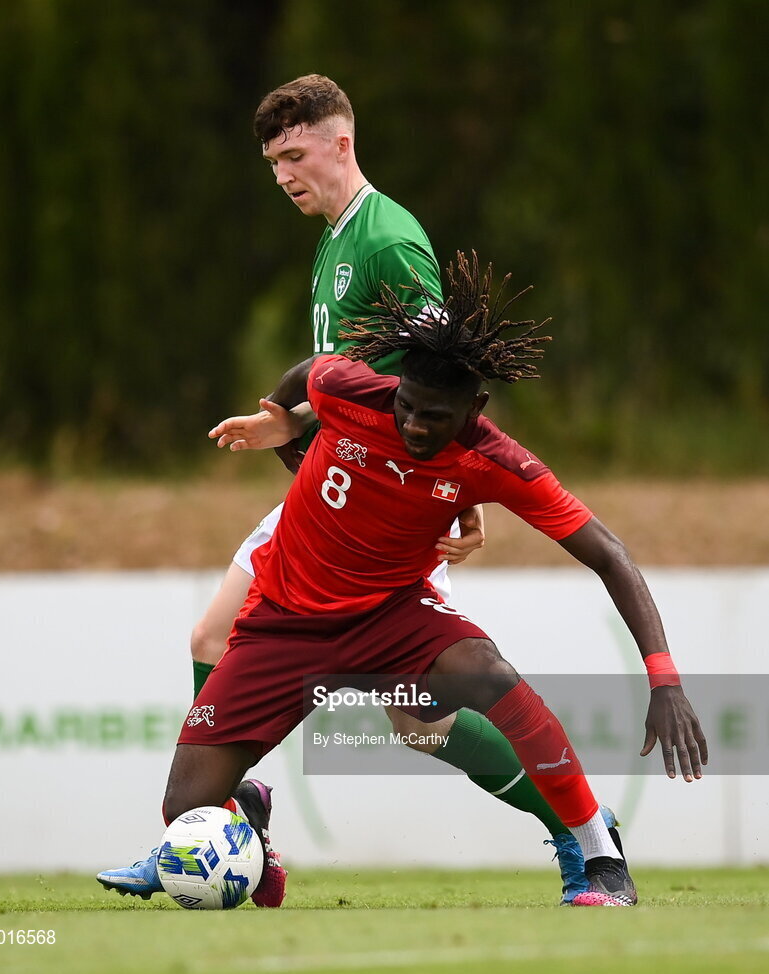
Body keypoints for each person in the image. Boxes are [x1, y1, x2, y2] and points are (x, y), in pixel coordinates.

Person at [97, 75, 609, 906]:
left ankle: (577, 830)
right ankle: (223, 820)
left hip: (384, 504)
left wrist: (455, 492)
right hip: (331, 493)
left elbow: (440, 375)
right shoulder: (337, 237)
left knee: (420, 722)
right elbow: (351, 378)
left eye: (294, 155)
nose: (283, 175)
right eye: (271, 163)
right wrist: (286, 419)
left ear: (341, 143)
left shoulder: (387, 240)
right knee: (211, 635)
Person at [100, 253, 707, 908]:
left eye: (435, 418)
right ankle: (244, 816)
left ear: (472, 408)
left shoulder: (492, 459)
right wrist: (283, 415)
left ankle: (597, 853)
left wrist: (663, 678)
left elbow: (609, 554)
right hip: (283, 621)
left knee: (485, 672)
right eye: (407, 408)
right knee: (183, 808)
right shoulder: (347, 389)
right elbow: (307, 374)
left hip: (392, 617)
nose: (415, 426)